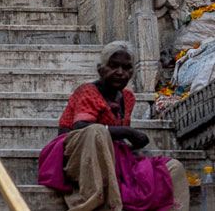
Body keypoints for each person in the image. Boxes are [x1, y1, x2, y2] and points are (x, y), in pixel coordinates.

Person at [38, 41, 188, 211]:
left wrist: (135, 146)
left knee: (172, 168)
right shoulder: (88, 91)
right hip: (77, 156)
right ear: (100, 69)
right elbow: (82, 127)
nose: (120, 72)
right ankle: (102, 205)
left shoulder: (128, 97)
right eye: (113, 66)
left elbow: (119, 142)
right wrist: (127, 132)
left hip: (113, 159)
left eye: (126, 68)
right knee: (96, 131)